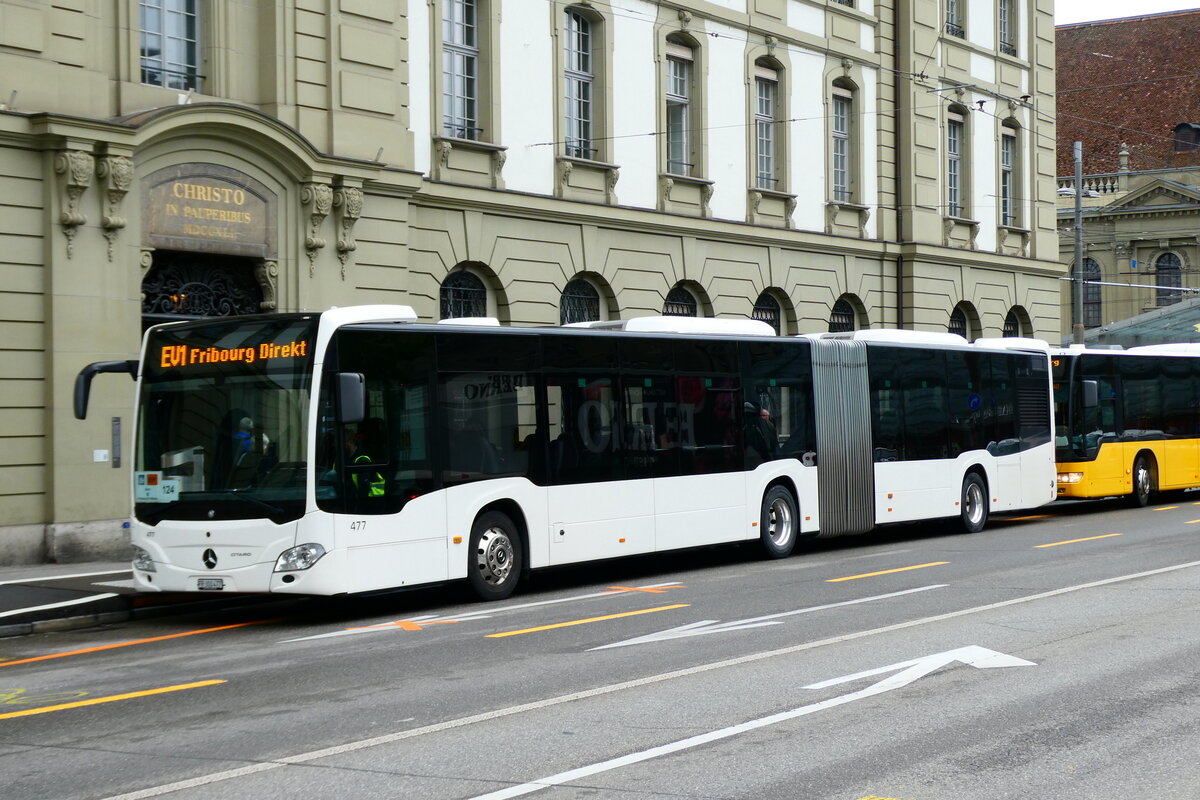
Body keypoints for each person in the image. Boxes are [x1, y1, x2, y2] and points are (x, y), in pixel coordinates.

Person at [344, 427, 385, 498]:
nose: (335, 445)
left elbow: (363, 489)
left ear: (349, 442)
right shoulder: (347, 457)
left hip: (369, 501)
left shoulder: (362, 460)